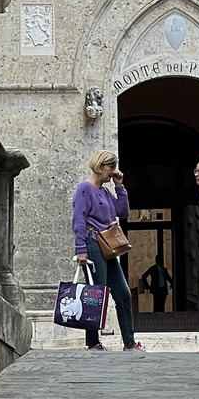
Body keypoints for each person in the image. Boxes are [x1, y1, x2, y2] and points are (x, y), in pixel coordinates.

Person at [73, 150, 145, 353]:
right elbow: (78, 220)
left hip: (108, 245)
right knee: (96, 293)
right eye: (110, 167)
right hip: (92, 242)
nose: (113, 171)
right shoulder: (84, 189)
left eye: (114, 167)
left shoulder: (105, 192)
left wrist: (120, 186)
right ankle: (93, 342)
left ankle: (129, 342)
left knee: (122, 293)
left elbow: (122, 211)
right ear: (100, 165)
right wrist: (81, 250)